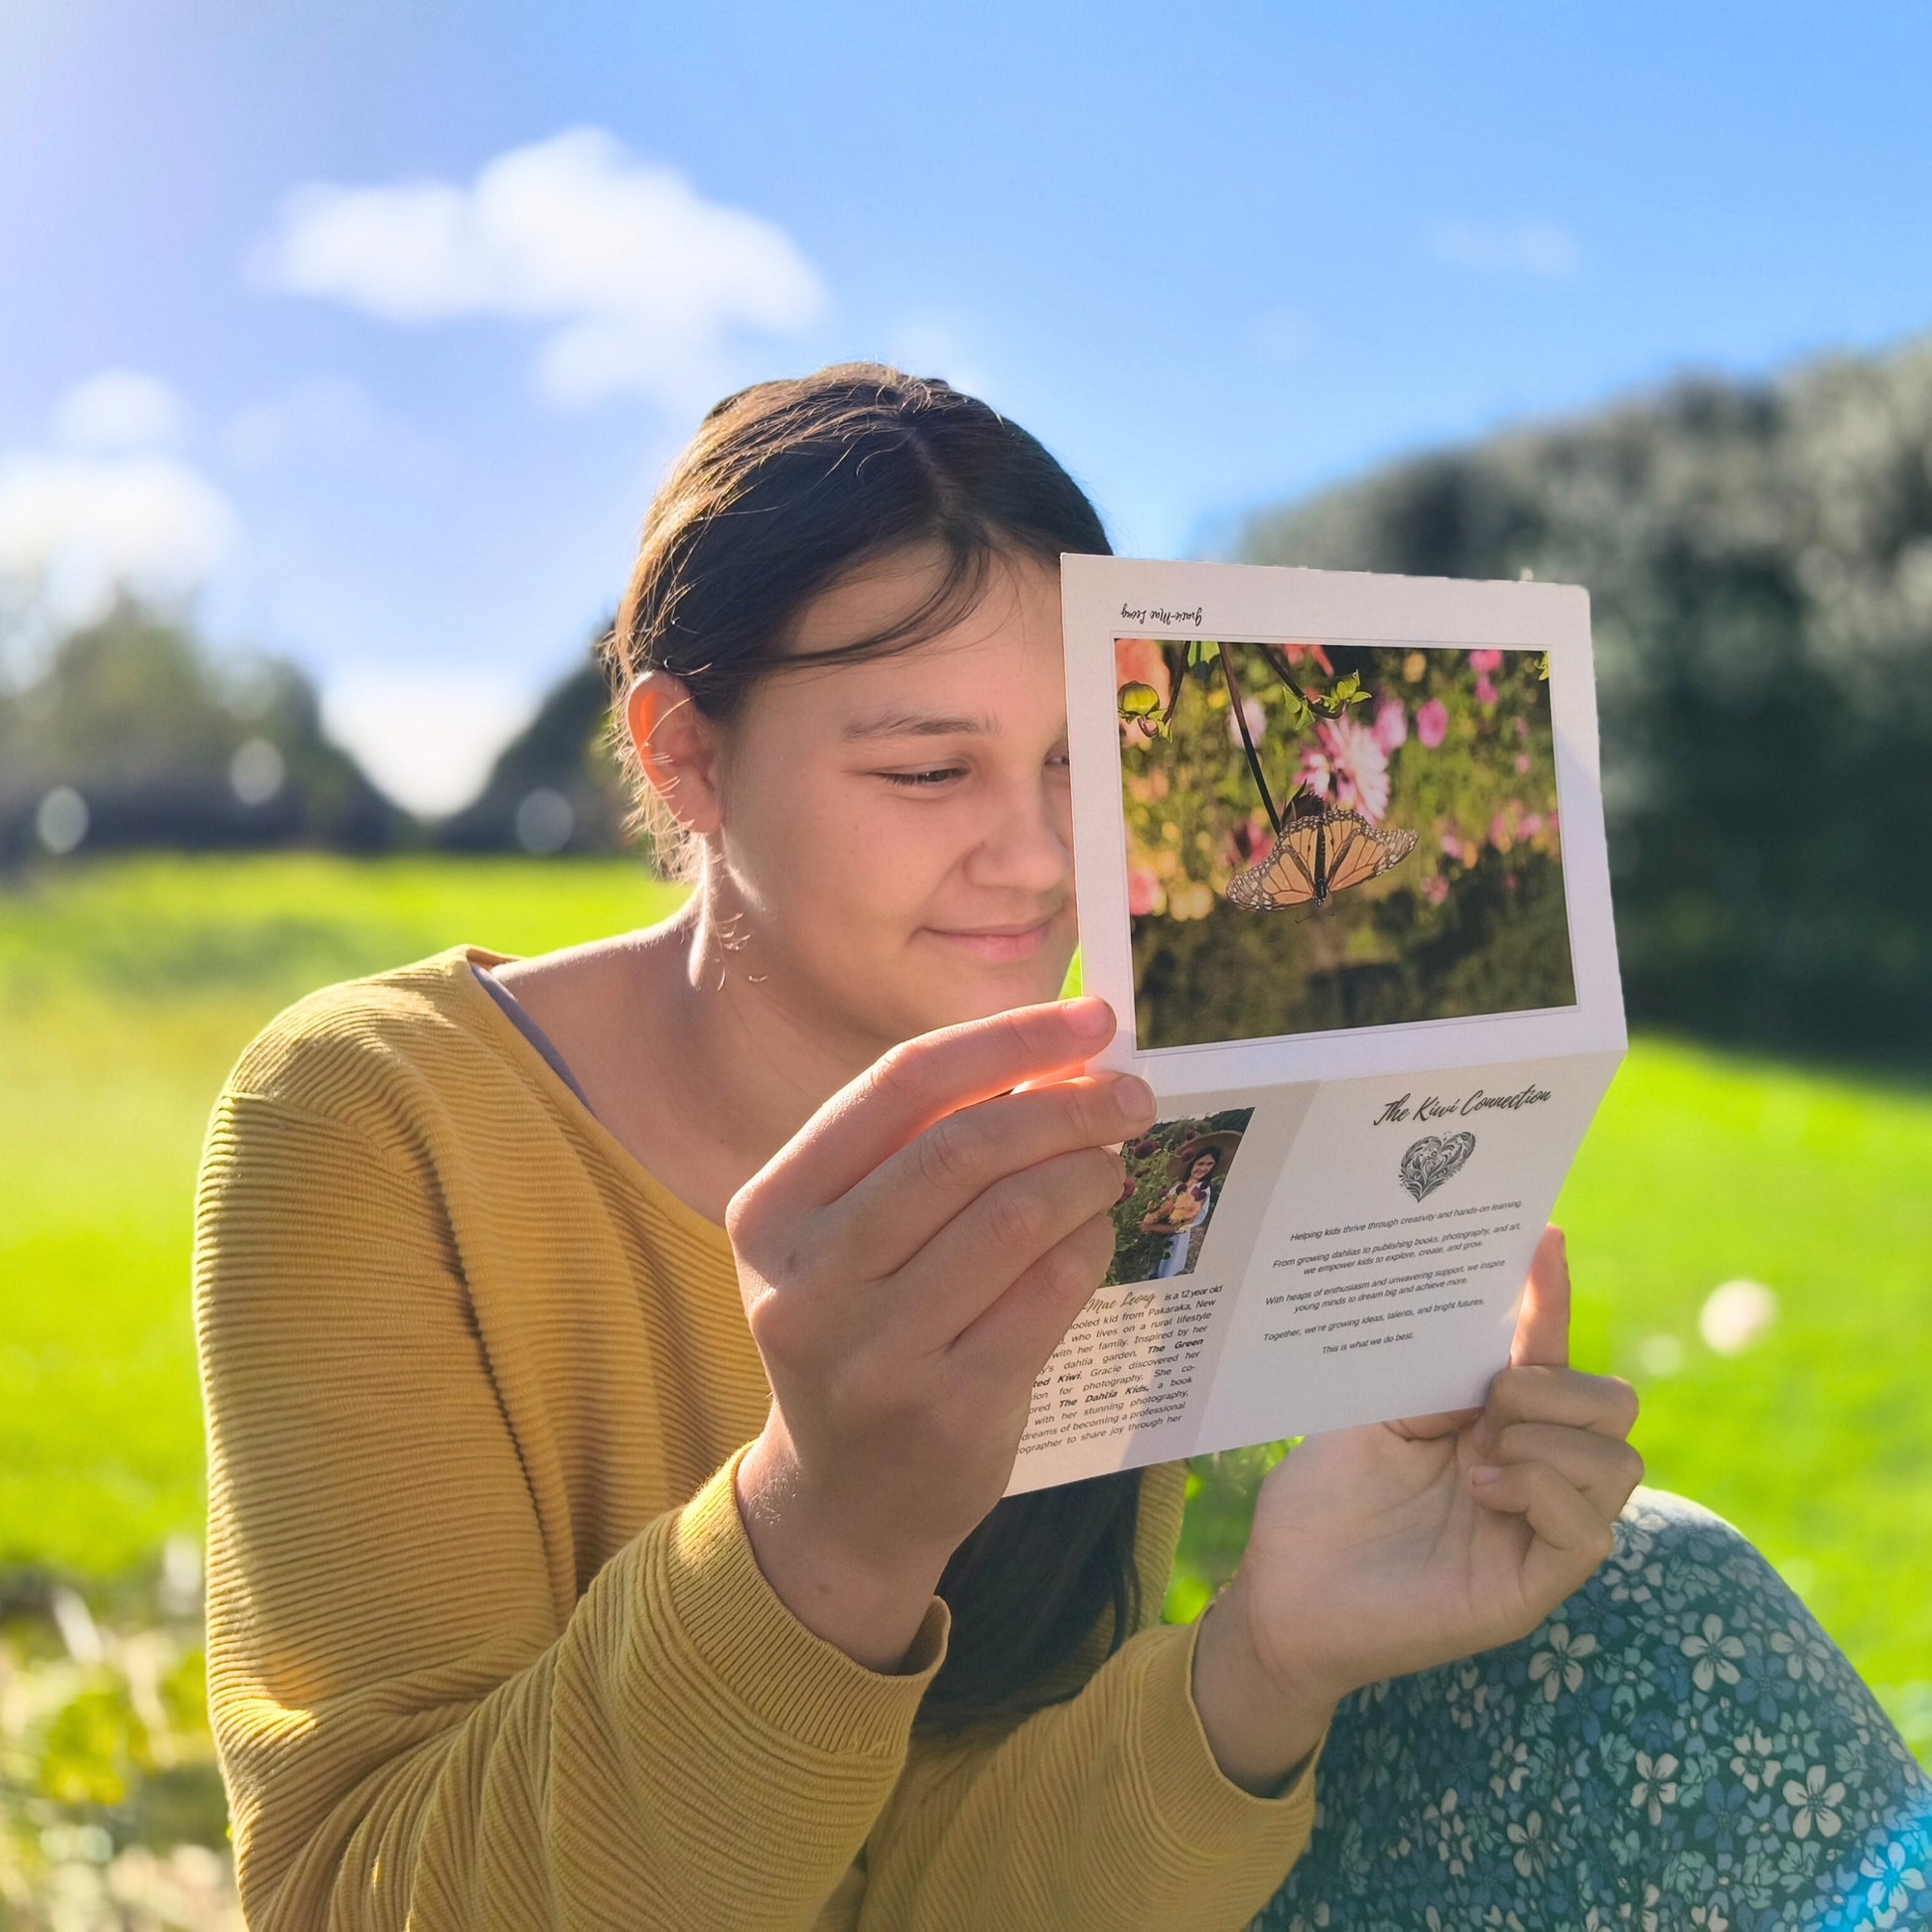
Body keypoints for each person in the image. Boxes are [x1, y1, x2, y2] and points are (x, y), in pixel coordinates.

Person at [194, 365, 1929, 1930]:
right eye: (929, 772)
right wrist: (827, 1531)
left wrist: (1272, 1651)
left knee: (1660, 1608)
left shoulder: (1120, 1150)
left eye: (1079, 769)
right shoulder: (374, 1120)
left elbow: (953, 1888)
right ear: (687, 754)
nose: (1037, 865)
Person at [1139, 1145, 1226, 1280]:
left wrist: (1151, 1227)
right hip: (1159, 1236)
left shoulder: (1201, 1190)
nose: (1204, 1168)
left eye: (1210, 1164)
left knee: (1163, 1276)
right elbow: (1161, 1208)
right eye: (1200, 1163)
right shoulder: (1179, 1186)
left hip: (1174, 1240)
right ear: (1192, 1163)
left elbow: (1180, 1227)